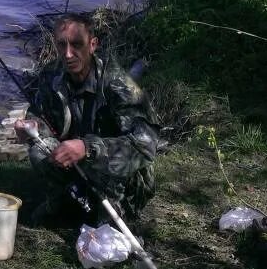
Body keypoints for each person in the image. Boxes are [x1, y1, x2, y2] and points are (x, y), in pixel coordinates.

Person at [14, 12, 160, 225]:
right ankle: (62, 202)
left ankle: (115, 215)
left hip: (122, 175)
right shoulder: (52, 74)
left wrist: (88, 149)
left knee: (107, 235)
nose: (68, 54)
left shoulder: (119, 85)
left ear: (92, 45)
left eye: (76, 44)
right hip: (77, 165)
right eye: (61, 45)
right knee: (39, 147)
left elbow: (145, 147)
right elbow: (40, 114)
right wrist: (32, 126)